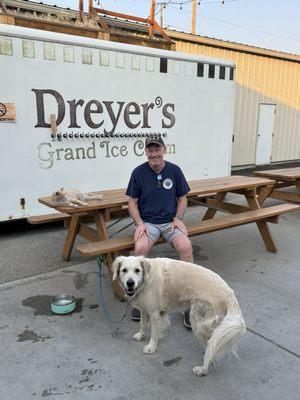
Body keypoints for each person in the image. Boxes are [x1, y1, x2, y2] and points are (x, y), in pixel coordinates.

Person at [126, 134, 193, 328]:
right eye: (150, 150)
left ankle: (187, 299)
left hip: (170, 223)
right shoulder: (138, 172)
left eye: (157, 149)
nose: (154, 153)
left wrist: (178, 219)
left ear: (164, 149)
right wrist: (139, 223)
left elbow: (182, 198)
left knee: (186, 246)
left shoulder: (175, 170)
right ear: (146, 152)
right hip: (149, 224)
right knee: (139, 249)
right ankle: (139, 298)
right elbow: (132, 202)